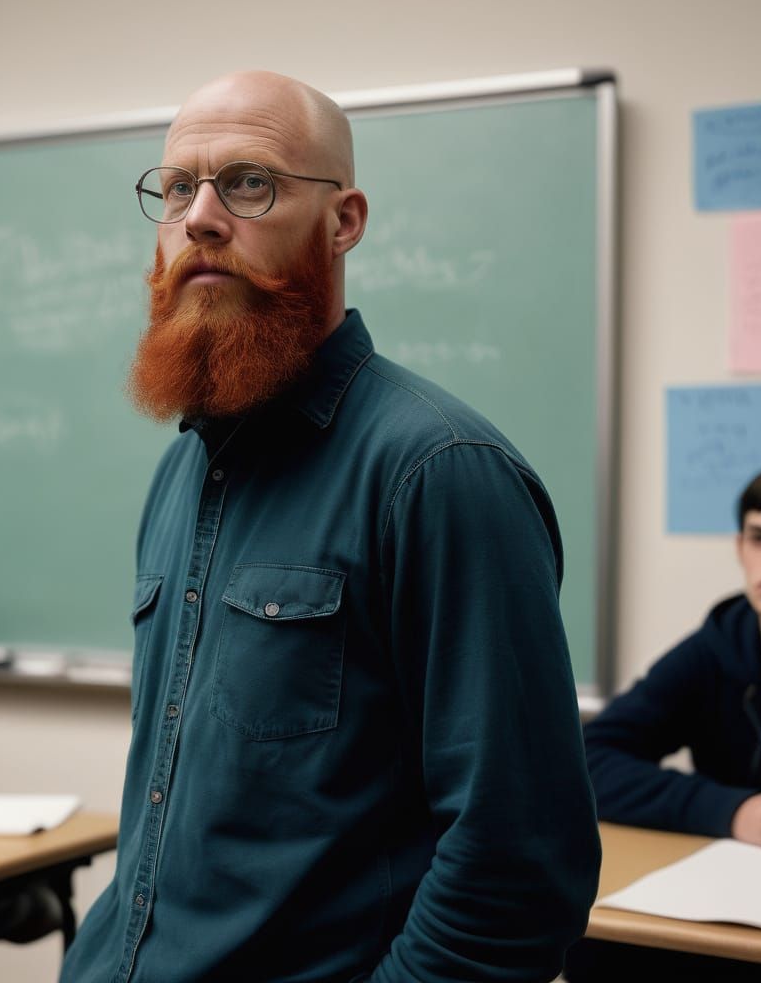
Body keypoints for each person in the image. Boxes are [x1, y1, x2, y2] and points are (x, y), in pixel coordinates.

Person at [61, 70, 600, 983]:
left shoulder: (439, 474)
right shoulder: (183, 468)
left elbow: (517, 868)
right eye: (178, 187)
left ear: (343, 221)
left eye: (248, 182)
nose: (199, 217)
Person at [565, 458, 761, 982]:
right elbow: (590, 759)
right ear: (739, 548)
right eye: (758, 537)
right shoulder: (716, 649)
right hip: (748, 907)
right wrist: (732, 811)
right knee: (592, 951)